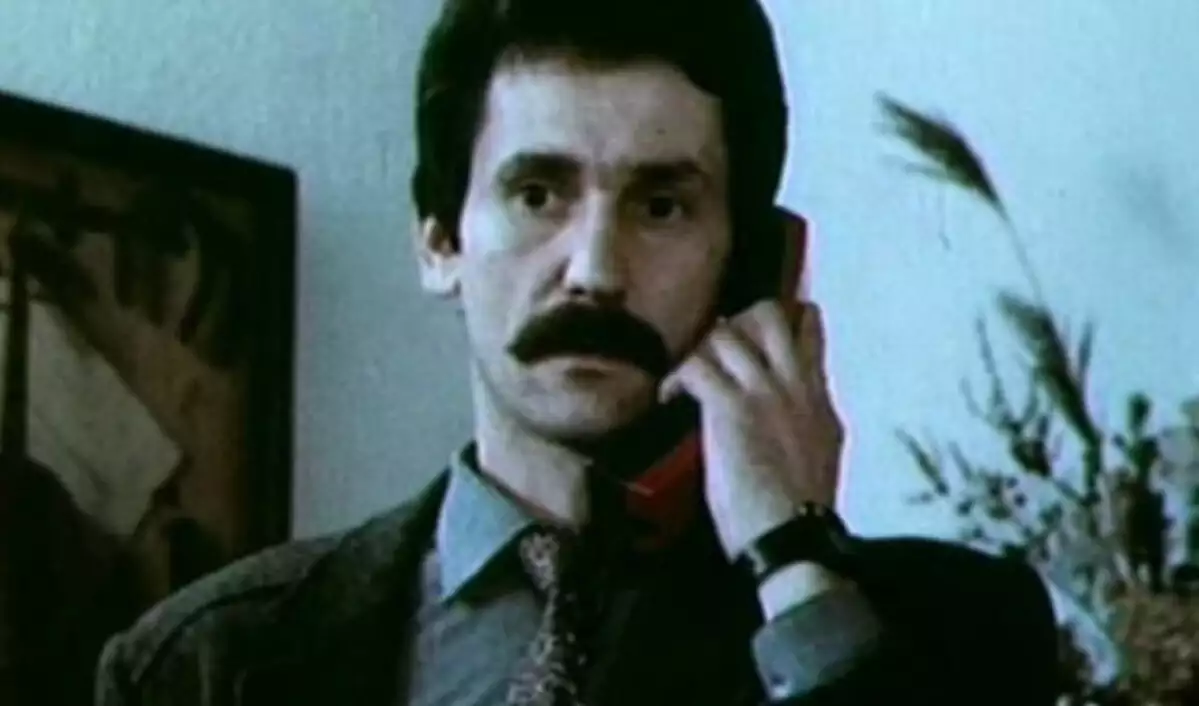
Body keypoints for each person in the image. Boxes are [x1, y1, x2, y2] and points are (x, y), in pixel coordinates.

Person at [94, 0, 1061, 703]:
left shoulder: (949, 630)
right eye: (537, 195)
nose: (595, 270)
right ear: (440, 241)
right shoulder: (203, 661)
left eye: (661, 206)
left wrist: (791, 557)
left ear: (747, 266)